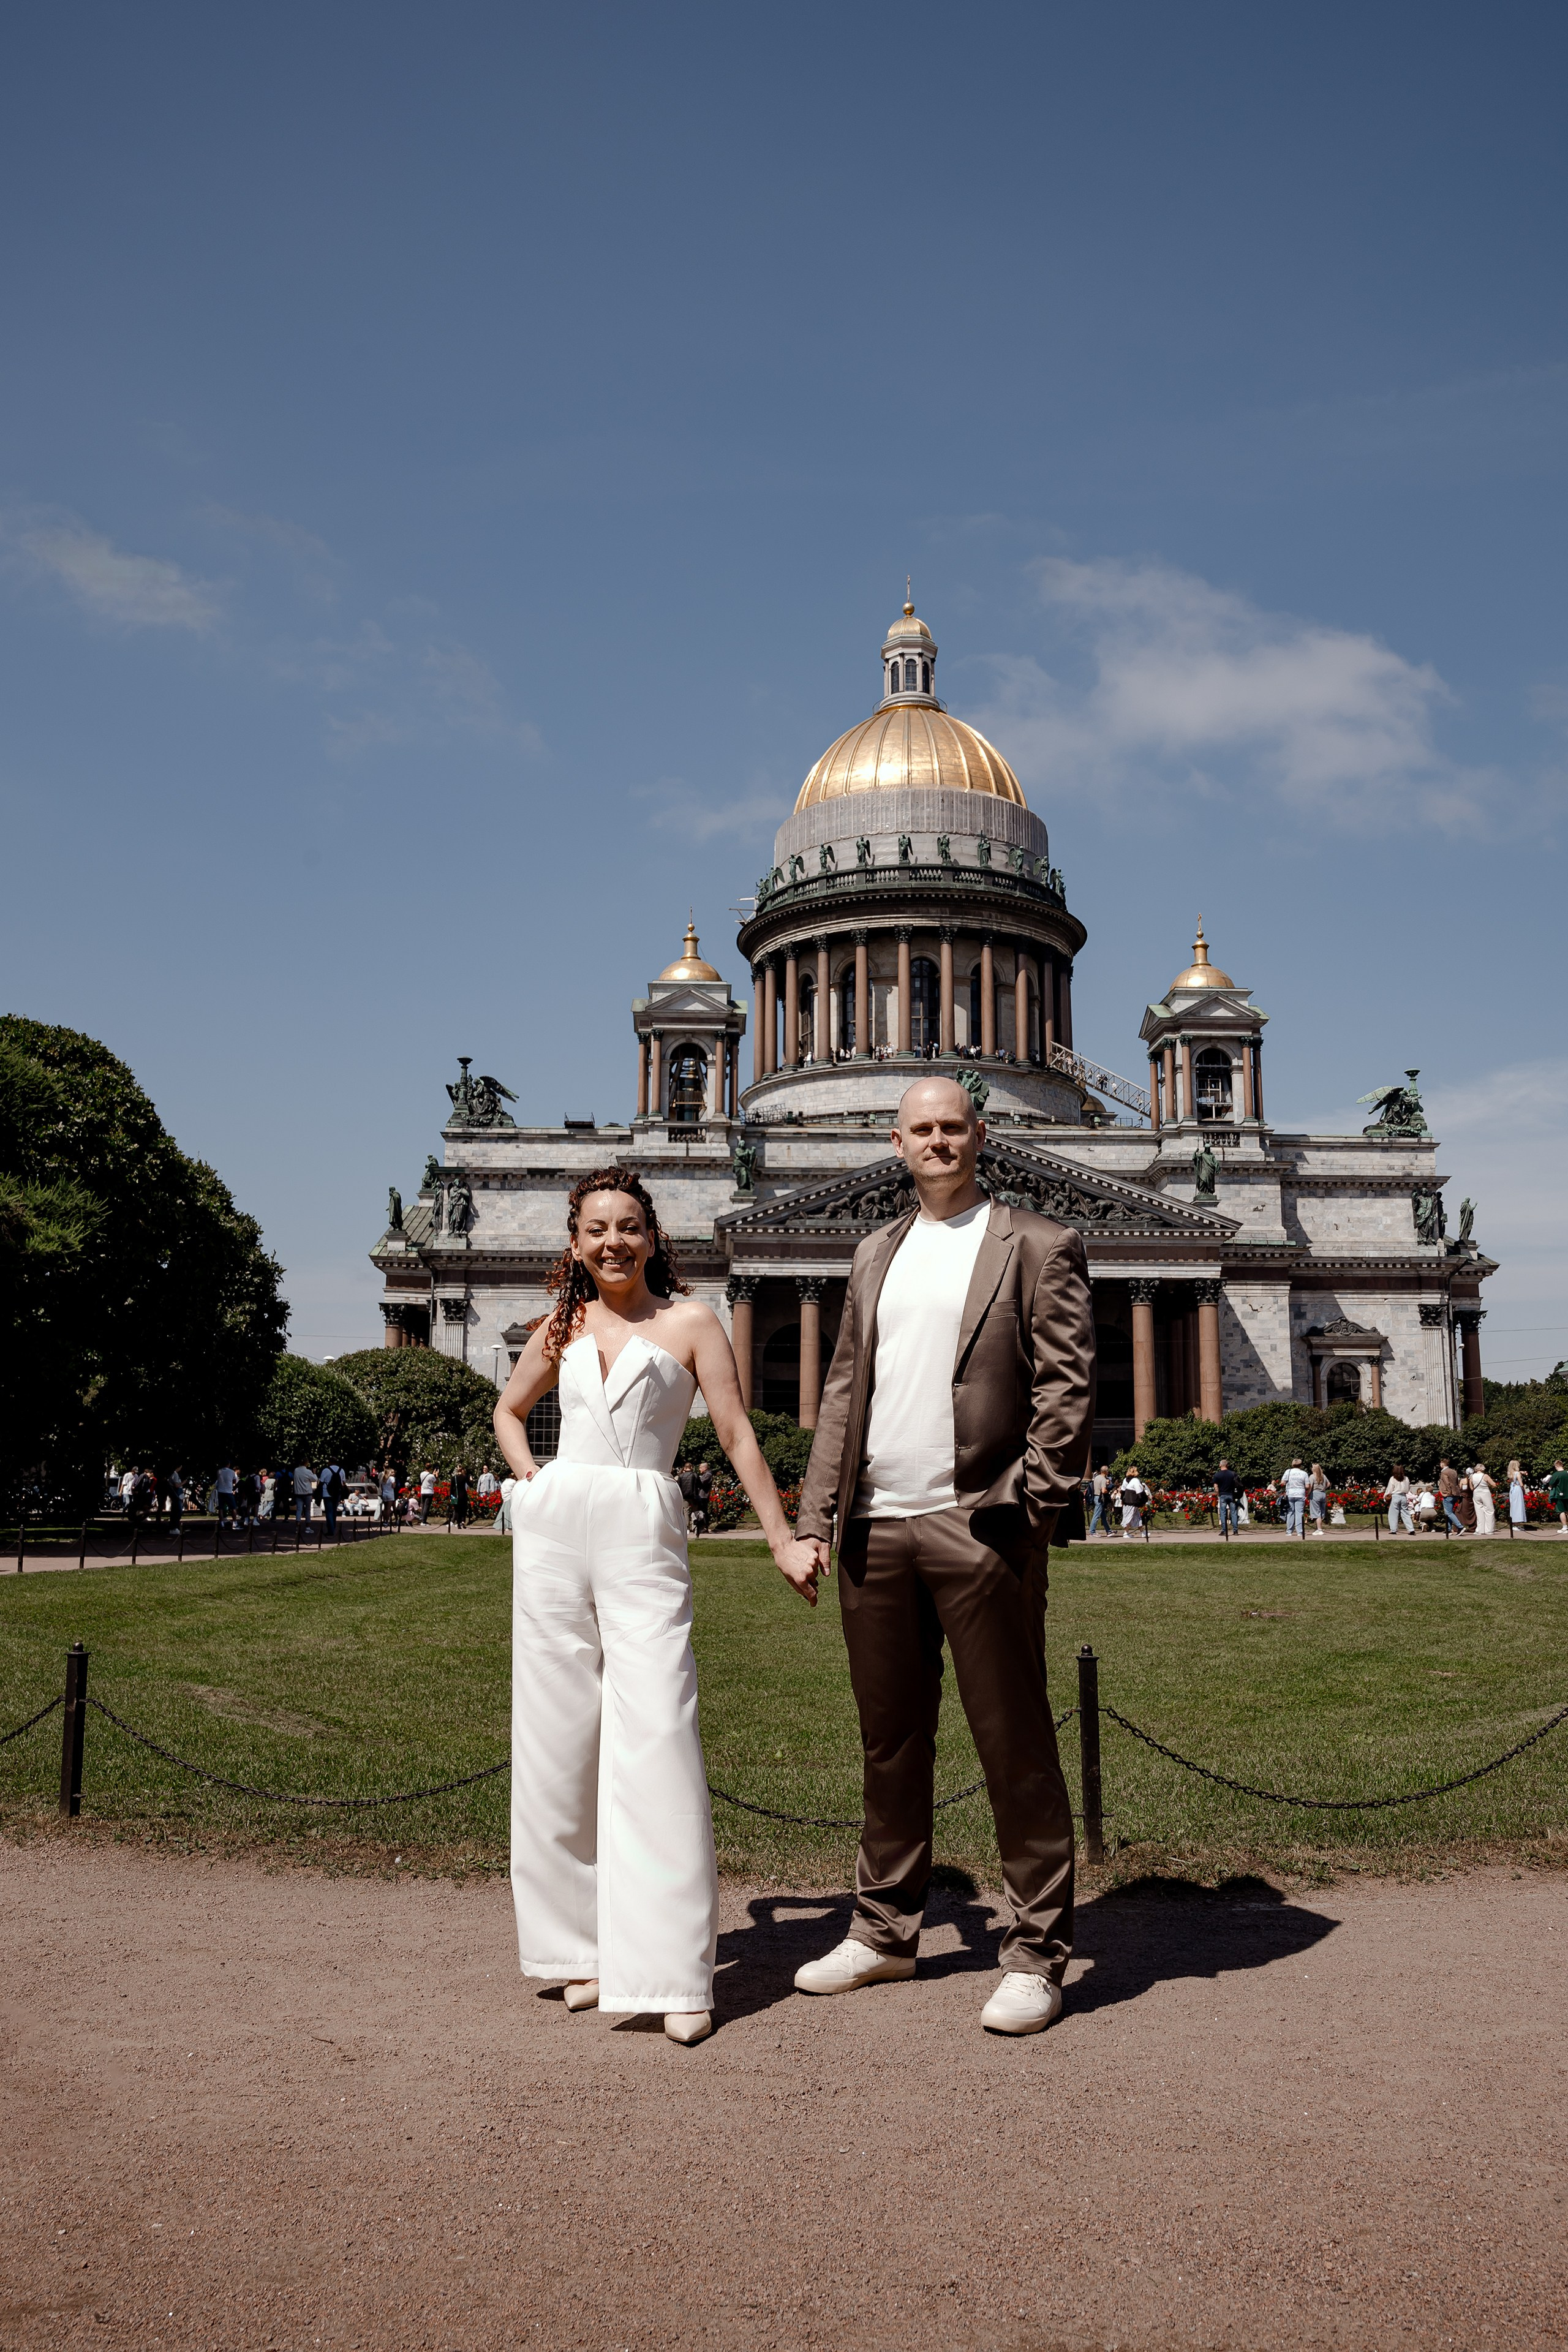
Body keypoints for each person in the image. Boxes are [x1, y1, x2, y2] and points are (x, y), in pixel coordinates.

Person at [791, 1076, 1094, 2037]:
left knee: (1015, 1743)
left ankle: (1037, 1954)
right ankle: (885, 1933)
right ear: (897, 1142)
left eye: (953, 1127)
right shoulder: (874, 1249)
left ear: (982, 1135)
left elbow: (1067, 1390)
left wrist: (1026, 1509)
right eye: (921, 1129)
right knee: (889, 1745)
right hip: (875, 1529)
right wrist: (815, 1519)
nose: (938, 1142)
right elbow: (845, 1390)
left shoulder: (1038, 1243)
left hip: (980, 1525)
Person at [494, 1166, 819, 2047]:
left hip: (643, 1521)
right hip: (557, 1529)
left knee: (658, 1733)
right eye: (597, 1229)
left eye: (629, 1227)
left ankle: (675, 1971)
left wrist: (781, 1538)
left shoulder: (691, 1322)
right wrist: (532, 1483)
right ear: (575, 1245)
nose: (614, 1242)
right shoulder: (560, 1325)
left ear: (652, 1238)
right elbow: (508, 1411)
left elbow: (736, 1434)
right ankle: (579, 1951)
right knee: (555, 1735)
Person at [1280, 1458, 1309, 1538]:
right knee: (1299, 1513)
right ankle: (1300, 1532)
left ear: (1292, 1465)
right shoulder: (1304, 1473)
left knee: (1290, 1513)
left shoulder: (1288, 1472)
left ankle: (1289, 1531)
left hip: (1290, 1494)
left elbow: (1283, 1483)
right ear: (1300, 1465)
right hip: (1300, 1494)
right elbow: (1307, 1486)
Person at [1117, 1465, 1148, 1537]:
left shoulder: (1125, 1480)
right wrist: (1144, 1500)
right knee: (1129, 1516)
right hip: (1132, 1502)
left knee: (1137, 1517)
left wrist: (1122, 1500)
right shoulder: (1136, 1481)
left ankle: (1142, 1532)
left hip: (1128, 1501)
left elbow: (1123, 1491)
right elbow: (1139, 1492)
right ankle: (1126, 1533)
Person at [1436, 1458, 1464, 1537]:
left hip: (1448, 1494)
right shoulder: (1454, 1471)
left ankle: (1460, 1527)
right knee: (1449, 1512)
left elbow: (1447, 1483)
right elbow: (1457, 1482)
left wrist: (1448, 1492)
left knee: (1449, 1512)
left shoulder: (1444, 1472)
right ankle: (1448, 1529)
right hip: (1456, 1494)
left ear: (1442, 1464)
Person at [1213, 1459, 1240, 1537]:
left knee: (1223, 1513)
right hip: (1232, 1495)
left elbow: (1216, 1487)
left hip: (1223, 1495)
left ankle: (1224, 1530)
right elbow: (1237, 1484)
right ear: (1227, 1465)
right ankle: (1235, 1530)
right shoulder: (1232, 1474)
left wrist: (1219, 1494)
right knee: (1234, 1513)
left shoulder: (1217, 1475)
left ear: (1220, 1465)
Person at [1384, 1465, 1415, 1534]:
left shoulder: (1393, 1479)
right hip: (1403, 1496)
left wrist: (1385, 1498)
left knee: (1393, 1514)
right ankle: (1411, 1529)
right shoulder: (1406, 1478)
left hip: (1395, 1496)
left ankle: (1393, 1530)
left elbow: (1390, 1489)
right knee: (1406, 1513)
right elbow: (1407, 1489)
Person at [1469, 1461, 1497, 1536]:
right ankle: (1489, 1530)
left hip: (1476, 1493)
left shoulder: (1472, 1476)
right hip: (1485, 1493)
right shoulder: (1485, 1476)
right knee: (1489, 1511)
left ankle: (1480, 1530)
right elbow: (1494, 1485)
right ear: (1482, 1469)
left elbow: (1471, 1487)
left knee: (1479, 1512)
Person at [321, 1461, 345, 1537]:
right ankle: (333, 1527)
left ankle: (331, 1530)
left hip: (327, 1493)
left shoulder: (326, 1470)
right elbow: (344, 1482)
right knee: (334, 1511)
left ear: (329, 1463)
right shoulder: (341, 1470)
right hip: (337, 1493)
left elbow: (321, 1482)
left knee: (329, 1512)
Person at [1088, 1465, 1112, 1537]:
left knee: (1103, 1516)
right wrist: (1109, 1490)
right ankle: (1092, 1531)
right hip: (1100, 1498)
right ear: (1106, 1472)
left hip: (1096, 1496)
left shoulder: (1097, 1478)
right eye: (1107, 1471)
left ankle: (1109, 1531)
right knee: (1096, 1515)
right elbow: (1104, 1491)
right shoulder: (1103, 1479)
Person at [693, 1460, 714, 1536]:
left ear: (705, 1468)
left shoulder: (708, 1475)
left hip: (704, 1496)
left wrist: (696, 1478)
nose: (699, 1469)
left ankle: (705, 1527)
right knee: (701, 1511)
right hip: (701, 1495)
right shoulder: (705, 1475)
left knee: (704, 1511)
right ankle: (701, 1526)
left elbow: (701, 1482)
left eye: (700, 1468)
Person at [1507, 1458, 1528, 1533]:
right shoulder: (1517, 1474)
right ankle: (1516, 1523)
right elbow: (1521, 1484)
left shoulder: (1510, 1473)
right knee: (1518, 1506)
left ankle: (1515, 1523)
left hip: (1513, 1490)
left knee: (1514, 1506)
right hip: (1518, 1489)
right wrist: (1524, 1490)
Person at [1547, 1459, 1568, 1536]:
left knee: (1561, 1511)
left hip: (1560, 1494)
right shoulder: (1567, 1473)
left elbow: (1551, 1483)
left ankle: (1565, 1527)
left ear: (1556, 1466)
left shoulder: (1556, 1474)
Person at [1307, 1462, 1329, 1534]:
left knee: (1316, 1513)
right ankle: (1318, 1528)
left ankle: (1319, 1529)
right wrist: (1324, 1488)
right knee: (1321, 1512)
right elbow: (1328, 1484)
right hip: (1323, 1494)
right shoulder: (1323, 1476)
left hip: (1315, 1494)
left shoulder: (1312, 1476)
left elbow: (1310, 1487)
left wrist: (1308, 1494)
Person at [292, 1460, 315, 1526]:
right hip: (307, 1493)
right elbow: (315, 1479)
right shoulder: (308, 1471)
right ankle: (308, 1526)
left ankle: (298, 1525)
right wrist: (314, 1473)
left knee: (299, 1510)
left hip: (298, 1493)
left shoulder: (296, 1470)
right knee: (307, 1510)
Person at [447, 1464, 470, 1529]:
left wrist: (451, 1497)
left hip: (455, 1495)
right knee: (463, 1509)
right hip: (463, 1495)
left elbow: (451, 1488)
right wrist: (471, 1480)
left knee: (457, 1510)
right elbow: (470, 1484)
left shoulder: (454, 1478)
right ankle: (463, 1522)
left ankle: (458, 1523)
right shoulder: (465, 1477)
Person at [167, 1467, 186, 1532]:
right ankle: (174, 1527)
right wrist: (183, 1483)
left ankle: (174, 1527)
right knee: (178, 1511)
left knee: (176, 1510)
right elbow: (177, 1485)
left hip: (177, 1495)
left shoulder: (174, 1475)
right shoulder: (175, 1475)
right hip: (177, 1495)